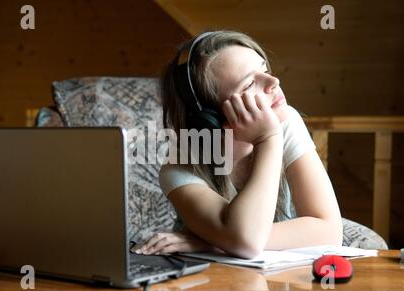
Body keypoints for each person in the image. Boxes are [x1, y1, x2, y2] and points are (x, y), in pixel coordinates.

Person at [134, 30, 343, 259]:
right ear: (210, 118)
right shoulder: (179, 170)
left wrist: (216, 242)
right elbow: (247, 240)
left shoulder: (286, 121)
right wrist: (268, 139)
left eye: (265, 70)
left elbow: (330, 231)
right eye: (250, 83)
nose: (274, 81)